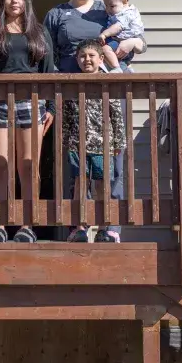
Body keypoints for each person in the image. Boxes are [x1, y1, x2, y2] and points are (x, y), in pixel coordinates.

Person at [43, 0, 146, 241]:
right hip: (72, 99)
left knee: (113, 160)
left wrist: (131, 44)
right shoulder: (56, 14)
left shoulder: (107, 11)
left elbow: (139, 39)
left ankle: (110, 227)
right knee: (75, 162)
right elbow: (46, 57)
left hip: (108, 97)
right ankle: (78, 225)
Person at [0, 0, 56, 243]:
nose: (14, 1)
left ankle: (27, 226)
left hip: (31, 103)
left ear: (26, 1)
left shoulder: (40, 32)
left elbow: (49, 73)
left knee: (29, 166)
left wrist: (51, 107)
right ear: (3, 0)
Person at [61, 40, 126, 243]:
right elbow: (67, 116)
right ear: (77, 59)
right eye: (82, 56)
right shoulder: (72, 84)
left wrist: (118, 143)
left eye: (91, 56)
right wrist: (66, 140)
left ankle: (103, 228)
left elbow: (116, 115)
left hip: (102, 143)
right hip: (77, 143)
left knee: (100, 185)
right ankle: (80, 227)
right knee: (80, 184)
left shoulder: (107, 84)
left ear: (100, 59)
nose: (86, 59)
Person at [98, 0, 145, 71]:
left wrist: (104, 34)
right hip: (123, 43)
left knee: (105, 49)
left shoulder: (125, 14)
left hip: (122, 41)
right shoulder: (124, 11)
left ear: (124, 2)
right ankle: (127, 67)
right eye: (106, 6)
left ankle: (117, 69)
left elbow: (118, 27)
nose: (108, 10)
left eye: (112, 6)